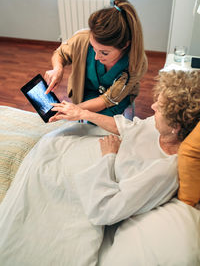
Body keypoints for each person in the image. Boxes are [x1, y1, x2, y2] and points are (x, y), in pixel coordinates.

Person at [0, 71, 200, 265]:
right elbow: (130, 127)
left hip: (99, 176)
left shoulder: (163, 171)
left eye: (161, 106)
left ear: (177, 125)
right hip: (104, 151)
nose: (153, 105)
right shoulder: (160, 131)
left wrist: (109, 158)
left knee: (41, 181)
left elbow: (105, 210)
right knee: (51, 144)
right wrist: (82, 113)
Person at [44, 0, 148, 117]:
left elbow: (106, 100)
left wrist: (74, 110)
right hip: (85, 93)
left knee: (99, 126)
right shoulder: (83, 39)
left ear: (125, 45)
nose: (96, 57)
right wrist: (58, 69)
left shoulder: (136, 63)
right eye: (93, 47)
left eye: (104, 53)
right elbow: (61, 53)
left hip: (114, 102)